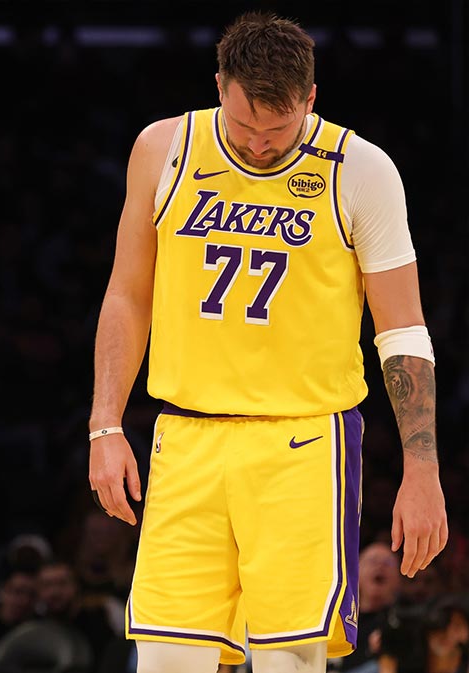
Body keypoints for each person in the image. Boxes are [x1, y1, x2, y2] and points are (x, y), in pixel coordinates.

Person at [88, 12, 447, 673]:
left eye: (276, 132)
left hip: (303, 446)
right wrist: (104, 423)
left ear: (310, 100)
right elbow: (126, 293)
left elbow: (401, 329)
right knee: (166, 662)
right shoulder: (162, 147)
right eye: (243, 126)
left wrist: (422, 468)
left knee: (289, 664)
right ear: (219, 85)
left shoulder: (360, 169)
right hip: (187, 438)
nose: (257, 146)